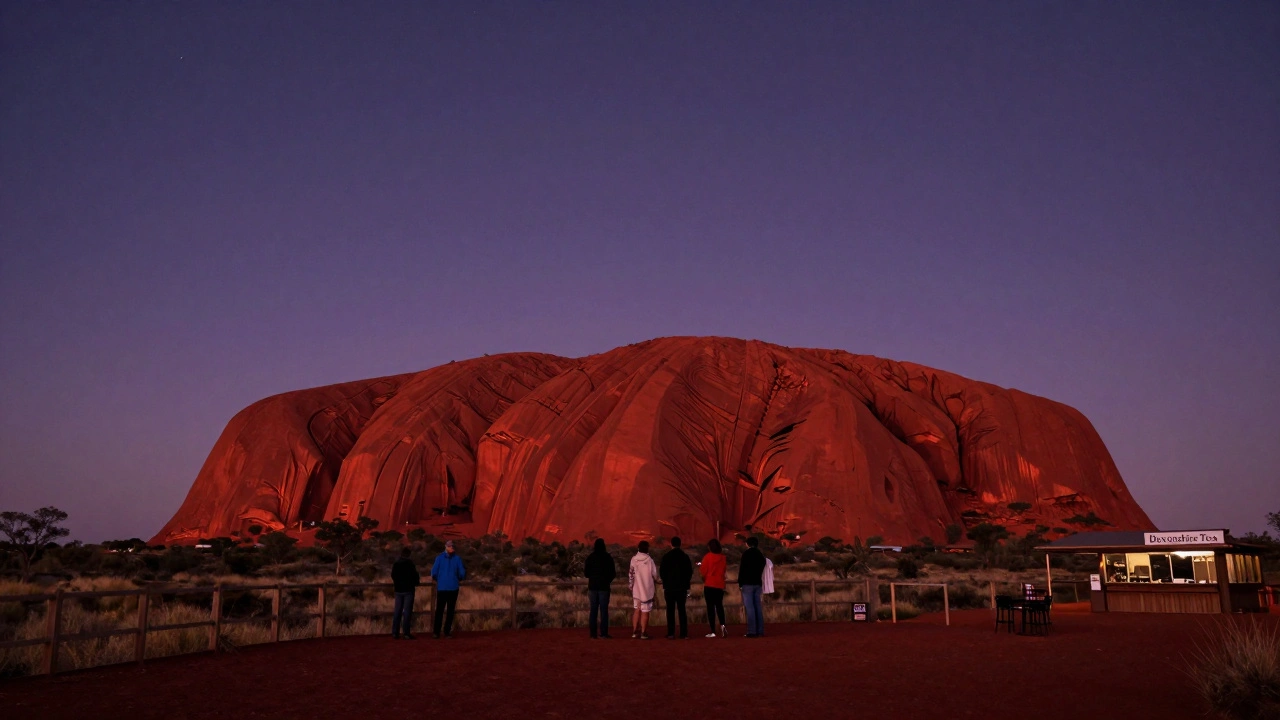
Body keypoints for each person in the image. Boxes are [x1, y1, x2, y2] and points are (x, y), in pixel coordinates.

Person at [659, 536, 694, 639]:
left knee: (670, 610)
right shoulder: (685, 557)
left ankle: (671, 633)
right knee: (682, 610)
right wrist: (686, 583)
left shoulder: (666, 556)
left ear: (671, 544)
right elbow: (689, 572)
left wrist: (666, 582)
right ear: (680, 544)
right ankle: (683, 633)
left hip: (669, 588)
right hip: (682, 588)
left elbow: (662, 572)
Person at [431, 539, 466, 638]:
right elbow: (462, 572)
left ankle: (439, 632)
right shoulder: (455, 558)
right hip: (450, 587)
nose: (452, 548)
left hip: (446, 588)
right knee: (445, 611)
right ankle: (442, 632)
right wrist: (458, 578)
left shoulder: (440, 558)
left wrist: (438, 579)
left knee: (444, 611)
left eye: (452, 546)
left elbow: (434, 572)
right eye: (450, 546)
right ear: (446, 547)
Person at [583, 537, 616, 639]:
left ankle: (593, 634)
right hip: (604, 587)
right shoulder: (608, 557)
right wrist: (607, 581)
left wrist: (592, 578)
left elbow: (586, 573)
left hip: (593, 587)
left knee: (593, 610)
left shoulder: (590, 557)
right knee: (604, 611)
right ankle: (604, 633)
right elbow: (613, 573)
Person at [737, 536, 766, 638]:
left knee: (750, 608)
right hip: (757, 583)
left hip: (747, 584)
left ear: (747, 544)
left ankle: (752, 631)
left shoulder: (746, 554)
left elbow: (742, 569)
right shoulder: (760, 555)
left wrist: (740, 583)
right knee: (757, 607)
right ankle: (760, 630)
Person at [628, 540, 658, 639]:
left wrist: (631, 585)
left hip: (636, 589)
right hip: (647, 589)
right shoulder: (649, 560)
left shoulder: (633, 559)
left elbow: (631, 574)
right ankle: (644, 633)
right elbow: (655, 575)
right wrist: (658, 580)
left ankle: (634, 632)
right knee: (645, 611)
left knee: (636, 609)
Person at [699, 538, 727, 638]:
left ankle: (713, 631)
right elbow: (724, 571)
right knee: (719, 606)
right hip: (719, 585)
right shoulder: (723, 558)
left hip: (709, 585)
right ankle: (723, 625)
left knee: (710, 608)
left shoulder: (707, 557)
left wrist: (705, 579)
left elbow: (702, 571)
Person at [390, 546, 419, 639]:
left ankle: (395, 633)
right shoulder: (410, 564)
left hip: (398, 590)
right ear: (409, 555)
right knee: (407, 612)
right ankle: (406, 633)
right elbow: (415, 576)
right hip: (408, 590)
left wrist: (397, 583)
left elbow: (393, 575)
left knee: (397, 611)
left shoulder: (396, 564)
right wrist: (416, 583)